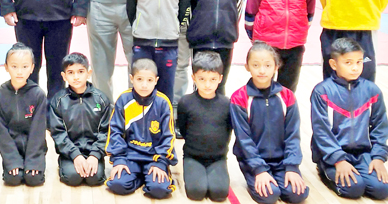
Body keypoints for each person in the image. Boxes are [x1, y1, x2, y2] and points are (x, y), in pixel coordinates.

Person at [311, 38, 388, 200]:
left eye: (359, 62)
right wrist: (338, 160)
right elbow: (321, 131)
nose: (355, 67)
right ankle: (324, 169)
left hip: (363, 155)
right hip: (332, 156)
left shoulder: (372, 90)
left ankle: (359, 173)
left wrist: (378, 157)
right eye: (348, 62)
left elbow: (380, 127)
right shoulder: (322, 92)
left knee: (383, 190)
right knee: (353, 190)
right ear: (334, 65)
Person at [230, 41, 309, 204]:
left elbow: (293, 135)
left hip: (282, 161)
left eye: (267, 65)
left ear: (276, 67)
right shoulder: (239, 98)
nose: (261, 70)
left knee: (297, 195)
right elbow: (244, 139)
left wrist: (292, 167)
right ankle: (258, 175)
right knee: (269, 196)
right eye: (256, 65)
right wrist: (259, 169)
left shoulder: (287, 96)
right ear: (247, 67)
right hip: (253, 162)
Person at [105, 59, 176, 198]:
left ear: (156, 80)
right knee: (117, 185)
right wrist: (119, 159)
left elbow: (169, 136)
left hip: (153, 158)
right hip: (129, 157)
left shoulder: (163, 102)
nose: (144, 85)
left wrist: (161, 162)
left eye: (149, 80)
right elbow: (115, 131)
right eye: (139, 79)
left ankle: (149, 176)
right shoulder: (123, 100)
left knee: (159, 190)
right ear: (131, 79)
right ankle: (140, 177)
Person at [48, 53, 111, 187]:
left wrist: (95, 155)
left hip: (93, 151)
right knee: (73, 178)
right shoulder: (58, 101)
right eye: (70, 72)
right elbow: (58, 133)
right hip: (70, 152)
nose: (76, 77)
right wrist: (75, 155)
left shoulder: (101, 99)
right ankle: (64, 163)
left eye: (80, 72)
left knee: (95, 179)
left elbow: (106, 131)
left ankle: (95, 161)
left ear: (88, 73)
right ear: (64, 76)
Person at [0, 43, 48, 186]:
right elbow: (1, 132)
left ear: (32, 68)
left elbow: (38, 131)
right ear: (6, 67)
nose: (19, 72)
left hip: (33, 148)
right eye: (14, 66)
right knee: (13, 180)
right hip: (12, 148)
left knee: (33, 179)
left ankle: (33, 161)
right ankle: (15, 161)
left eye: (25, 67)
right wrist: (12, 161)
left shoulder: (38, 94)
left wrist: (34, 161)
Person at [177, 51, 231, 202]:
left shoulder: (226, 104)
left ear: (220, 78)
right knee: (196, 192)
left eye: (213, 79)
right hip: (193, 157)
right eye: (202, 79)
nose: (207, 84)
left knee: (219, 194)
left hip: (218, 158)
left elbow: (228, 131)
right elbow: (183, 128)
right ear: (193, 78)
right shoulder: (185, 102)